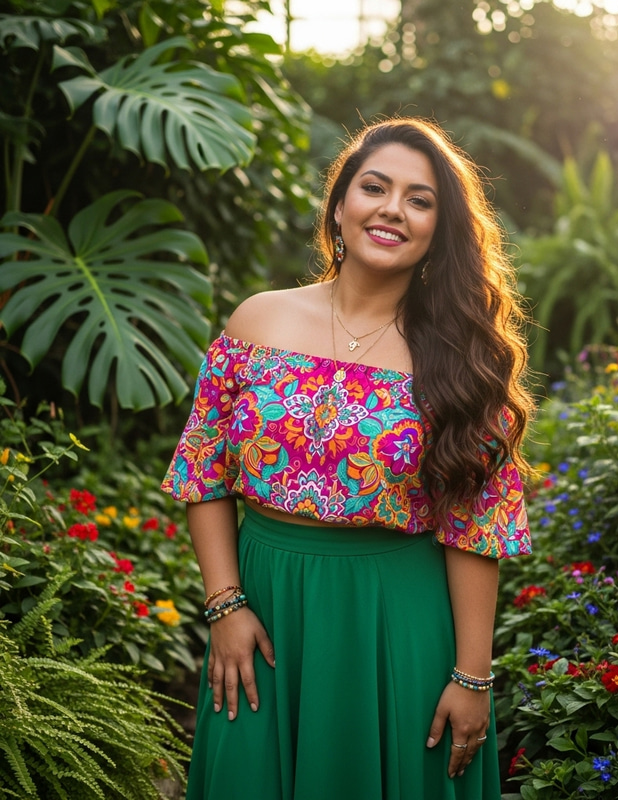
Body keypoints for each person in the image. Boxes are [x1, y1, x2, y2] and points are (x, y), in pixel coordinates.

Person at [162, 117, 534, 800]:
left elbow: (477, 527)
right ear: (340, 206)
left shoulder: (459, 362)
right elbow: (203, 471)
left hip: (397, 623)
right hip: (265, 613)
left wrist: (472, 676)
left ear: (437, 232)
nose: (393, 209)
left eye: (420, 200)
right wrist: (224, 606)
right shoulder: (257, 321)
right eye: (375, 187)